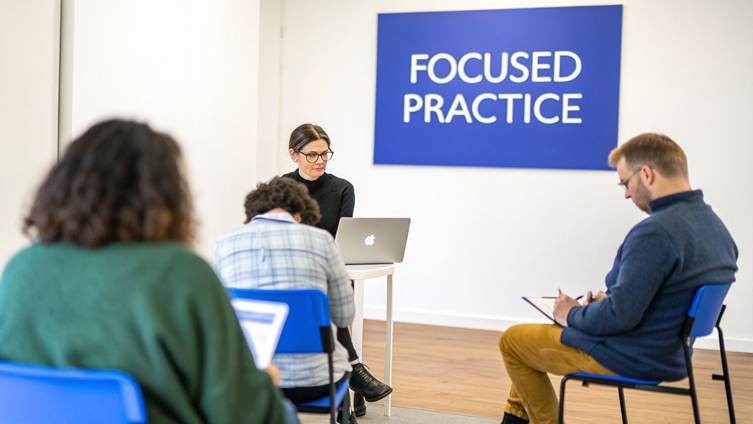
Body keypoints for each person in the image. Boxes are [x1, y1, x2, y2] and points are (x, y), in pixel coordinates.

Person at [0, 119, 296, 424]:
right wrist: (264, 383)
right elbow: (242, 415)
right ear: (165, 196)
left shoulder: (20, 271)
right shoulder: (182, 274)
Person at [497, 133, 738, 424]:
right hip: (672, 354)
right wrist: (607, 301)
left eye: (626, 183)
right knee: (529, 344)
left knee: (513, 341)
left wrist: (571, 313)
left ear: (646, 174)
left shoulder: (656, 233)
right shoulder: (716, 228)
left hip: (633, 356)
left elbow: (619, 317)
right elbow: (665, 297)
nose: (626, 193)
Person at [214, 176, 361, 421]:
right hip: (316, 381)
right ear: (300, 214)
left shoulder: (224, 244)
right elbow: (345, 315)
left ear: (254, 212)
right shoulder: (322, 241)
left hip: (249, 381)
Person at [282, 123, 392, 416]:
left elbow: (343, 237)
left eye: (325, 154)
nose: (320, 161)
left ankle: (350, 382)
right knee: (325, 299)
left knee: (330, 293)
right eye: (312, 155)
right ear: (294, 154)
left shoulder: (342, 188)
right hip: (297, 269)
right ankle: (354, 372)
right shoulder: (283, 188)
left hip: (331, 266)